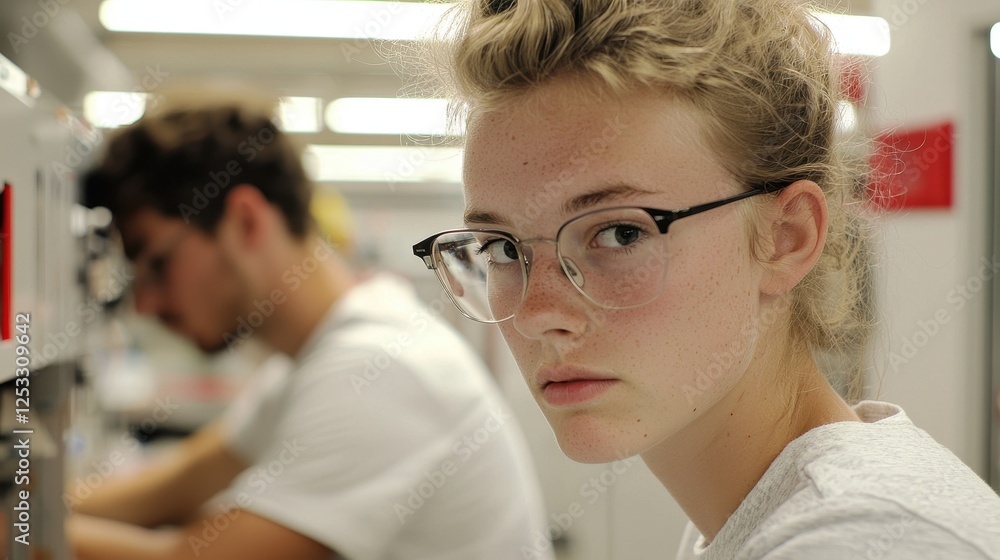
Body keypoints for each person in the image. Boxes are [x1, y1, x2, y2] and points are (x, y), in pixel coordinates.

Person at [411, 0, 1000, 558]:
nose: (538, 313)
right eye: (502, 249)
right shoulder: (769, 515)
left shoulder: (865, 540)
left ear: (787, 237)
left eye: (619, 233)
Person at [71, 90, 553, 560]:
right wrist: (39, 501)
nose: (145, 304)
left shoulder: (378, 366)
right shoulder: (310, 360)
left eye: (156, 264)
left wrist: (33, 527)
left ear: (244, 221)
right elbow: (173, 488)